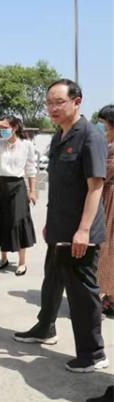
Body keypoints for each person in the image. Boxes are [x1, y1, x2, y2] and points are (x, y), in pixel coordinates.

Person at [14, 79, 108, 373]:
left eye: (58, 102)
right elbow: (59, 185)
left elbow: (95, 187)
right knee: (52, 281)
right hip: (59, 227)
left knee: (82, 294)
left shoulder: (90, 137)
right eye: (49, 103)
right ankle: (45, 327)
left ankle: (93, 353)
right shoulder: (59, 136)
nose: (52, 108)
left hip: (80, 232)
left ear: (77, 102)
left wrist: (83, 230)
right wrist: (51, 221)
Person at [0, 117, 37, 276]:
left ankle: (22, 262)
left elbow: (31, 169)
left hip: (18, 185)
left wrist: (32, 191)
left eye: (5, 127)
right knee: (0, 220)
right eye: (1, 128)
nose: (2, 130)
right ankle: (3, 258)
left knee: (18, 221)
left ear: (15, 128)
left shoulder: (26, 144)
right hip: (2, 184)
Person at [95, 104, 114, 317]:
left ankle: (109, 297)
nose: (100, 127)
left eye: (103, 123)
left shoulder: (111, 148)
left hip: (110, 201)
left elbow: (102, 174)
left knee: (107, 249)